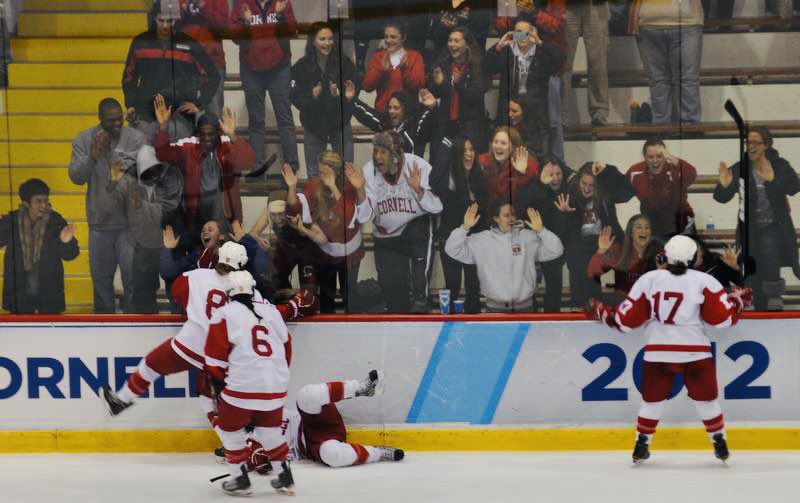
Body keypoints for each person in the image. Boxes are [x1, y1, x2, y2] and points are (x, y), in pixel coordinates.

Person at [585, 235, 752, 463]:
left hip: (658, 352)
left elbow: (626, 321)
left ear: (666, 255)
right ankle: (719, 441)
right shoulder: (704, 281)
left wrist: (603, 312)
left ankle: (641, 444)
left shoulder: (649, 279)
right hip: (696, 351)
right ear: (693, 257)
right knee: (707, 401)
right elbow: (722, 320)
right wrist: (738, 300)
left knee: (652, 402)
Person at [100, 242, 314, 417]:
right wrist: (292, 307)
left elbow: (177, 292)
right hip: (222, 354)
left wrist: (198, 271)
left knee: (150, 366)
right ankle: (241, 444)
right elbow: (267, 315)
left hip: (189, 344)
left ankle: (122, 399)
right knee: (220, 402)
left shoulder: (197, 277)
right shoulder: (248, 289)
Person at [204, 270, 295, 496]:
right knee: (269, 430)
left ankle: (239, 479)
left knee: (230, 430)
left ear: (229, 292)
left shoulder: (224, 313)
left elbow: (214, 361)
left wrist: (220, 382)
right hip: (276, 384)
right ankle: (285, 476)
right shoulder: (271, 311)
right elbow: (287, 348)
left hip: (243, 384)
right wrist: (274, 375)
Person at [69, 97, 146, 313]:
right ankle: (104, 326)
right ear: (100, 118)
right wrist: (91, 157)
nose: (116, 124)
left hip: (129, 224)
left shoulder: (135, 138)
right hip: (100, 225)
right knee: (101, 282)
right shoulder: (84, 139)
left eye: (119, 119)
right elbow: (76, 177)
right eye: (110, 120)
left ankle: (132, 325)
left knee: (132, 280)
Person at [713, 126, 800, 310]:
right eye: (747, 142)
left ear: (766, 145)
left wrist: (772, 180)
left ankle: (774, 295)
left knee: (769, 247)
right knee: (750, 263)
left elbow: (794, 187)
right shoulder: (741, 167)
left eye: (755, 143)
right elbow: (722, 198)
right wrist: (724, 185)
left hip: (775, 225)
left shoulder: (779, 165)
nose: (750, 147)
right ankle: (755, 299)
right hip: (749, 228)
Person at [153, 95, 256, 242]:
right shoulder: (189, 146)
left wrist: (232, 135)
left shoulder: (227, 144)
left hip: (225, 213)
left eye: (211, 134)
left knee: (227, 257)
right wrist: (163, 127)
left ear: (218, 134)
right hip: (197, 211)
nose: (207, 138)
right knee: (200, 256)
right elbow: (163, 155)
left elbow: (248, 161)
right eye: (203, 134)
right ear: (198, 134)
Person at [361, 131, 443, 313]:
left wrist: (419, 190)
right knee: (394, 295)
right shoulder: (368, 171)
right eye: (376, 151)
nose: (377, 157)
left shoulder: (417, 166)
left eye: (383, 152)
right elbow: (364, 216)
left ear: (396, 155)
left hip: (415, 229)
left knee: (422, 226)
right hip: (387, 234)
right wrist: (360, 193)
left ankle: (421, 298)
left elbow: (437, 206)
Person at [284, 152, 371, 313]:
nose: (322, 176)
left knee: (349, 295)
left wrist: (334, 187)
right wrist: (291, 188)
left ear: (336, 172)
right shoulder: (314, 186)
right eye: (320, 172)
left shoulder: (349, 185)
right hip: (325, 253)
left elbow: (349, 218)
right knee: (326, 297)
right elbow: (295, 208)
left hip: (350, 253)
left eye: (326, 173)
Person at [123, 0, 220, 143]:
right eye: (161, 20)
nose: (164, 25)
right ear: (154, 18)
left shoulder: (189, 45)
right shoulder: (140, 43)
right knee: (146, 161)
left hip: (180, 118)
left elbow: (213, 76)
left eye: (169, 21)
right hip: (146, 117)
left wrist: (199, 104)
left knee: (180, 161)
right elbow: (128, 78)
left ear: (175, 20)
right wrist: (130, 105)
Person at [445, 199, 563, 312]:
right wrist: (464, 228)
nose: (511, 219)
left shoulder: (528, 237)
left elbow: (556, 250)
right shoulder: (482, 240)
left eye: (513, 215)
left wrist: (542, 231)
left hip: (526, 308)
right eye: (506, 215)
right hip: (494, 309)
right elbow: (452, 249)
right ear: (496, 218)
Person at [106, 145, 183, 313]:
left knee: (174, 283)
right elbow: (110, 208)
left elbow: (167, 210)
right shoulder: (129, 182)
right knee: (143, 290)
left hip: (167, 241)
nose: (152, 174)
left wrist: (141, 206)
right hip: (141, 245)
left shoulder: (169, 181)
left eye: (155, 170)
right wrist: (113, 182)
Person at [278, 370, 404, 468]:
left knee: (306, 395)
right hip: (313, 446)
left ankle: (361, 388)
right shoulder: (257, 447)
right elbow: (262, 463)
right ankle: (378, 452)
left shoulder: (261, 411)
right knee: (332, 455)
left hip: (312, 419)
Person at [230, 0, 299, 173]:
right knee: (256, 120)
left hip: (279, 67)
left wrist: (280, 15)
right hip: (251, 68)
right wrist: (246, 22)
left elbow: (292, 31)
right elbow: (235, 37)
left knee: (284, 117)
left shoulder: (282, 2)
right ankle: (257, 166)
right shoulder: (242, 4)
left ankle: (292, 166)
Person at [484, 16, 564, 158]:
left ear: (533, 32)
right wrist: (498, 47)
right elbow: (487, 67)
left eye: (526, 32)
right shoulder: (507, 52)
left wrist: (540, 42)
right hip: (508, 118)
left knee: (534, 162)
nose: (522, 36)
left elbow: (560, 59)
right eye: (518, 32)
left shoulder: (541, 54)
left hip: (535, 120)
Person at [558, 161, 634, 308]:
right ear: (578, 180)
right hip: (579, 243)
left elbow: (628, 192)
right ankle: (580, 309)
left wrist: (608, 170)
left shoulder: (606, 193)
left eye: (591, 185)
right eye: (583, 183)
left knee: (596, 278)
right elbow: (565, 231)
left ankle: (603, 310)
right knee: (577, 267)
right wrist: (564, 214)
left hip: (604, 241)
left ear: (598, 185)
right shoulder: (570, 193)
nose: (586, 189)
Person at [0, 179, 79, 314]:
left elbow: (70, 255)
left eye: (45, 200)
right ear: (26, 203)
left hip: (49, 293)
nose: (44, 205)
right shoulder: (11, 221)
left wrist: (66, 241)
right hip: (19, 293)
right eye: (38, 201)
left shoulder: (56, 221)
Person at [290, 21, 357, 178]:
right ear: (312, 41)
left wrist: (343, 97)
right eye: (322, 39)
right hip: (313, 124)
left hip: (340, 122)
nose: (327, 43)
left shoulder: (344, 63)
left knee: (346, 172)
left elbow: (353, 89)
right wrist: (311, 96)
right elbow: (294, 95)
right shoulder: (301, 66)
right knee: (314, 173)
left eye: (330, 39)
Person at [430, 136, 487, 313]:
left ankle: (474, 328)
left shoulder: (480, 176)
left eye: (471, 150)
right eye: (464, 151)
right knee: (452, 286)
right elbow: (434, 181)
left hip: (475, 240)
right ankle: (449, 328)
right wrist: (447, 146)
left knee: (473, 287)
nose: (469, 154)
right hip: (450, 238)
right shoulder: (450, 178)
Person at [631, 0, 704, 124]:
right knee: (658, 81)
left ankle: (689, 128)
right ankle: (661, 127)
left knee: (686, 80)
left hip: (687, 22)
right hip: (648, 23)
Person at [429, 27, 489, 153]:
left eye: (456, 41)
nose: (452, 44)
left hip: (469, 127)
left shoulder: (477, 65)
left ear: (467, 44)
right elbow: (436, 92)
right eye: (450, 40)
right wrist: (438, 84)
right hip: (447, 125)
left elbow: (477, 96)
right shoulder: (444, 63)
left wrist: (459, 85)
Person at [626, 138, 697, 240]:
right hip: (651, 222)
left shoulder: (674, 169)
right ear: (644, 157)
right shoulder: (635, 172)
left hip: (680, 221)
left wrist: (670, 157)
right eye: (650, 157)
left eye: (659, 156)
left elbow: (692, 175)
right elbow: (620, 190)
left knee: (681, 254)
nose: (655, 161)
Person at [587, 214, 662, 305]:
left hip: (647, 305)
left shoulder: (658, 252)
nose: (644, 231)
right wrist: (601, 250)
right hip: (620, 305)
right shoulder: (618, 250)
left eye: (647, 228)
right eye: (638, 227)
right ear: (631, 233)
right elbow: (593, 272)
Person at [176, 0, 230, 117]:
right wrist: (183, 8)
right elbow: (166, 24)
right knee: (185, 114)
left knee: (214, 115)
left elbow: (222, 26)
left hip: (212, 62)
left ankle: (216, 135)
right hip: (184, 61)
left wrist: (203, 6)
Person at [561, 0, 609, 127]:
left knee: (598, 62)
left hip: (596, 6)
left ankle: (599, 111)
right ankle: (560, 113)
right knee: (563, 62)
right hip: (566, 6)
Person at [361, 22, 426, 114]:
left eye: (393, 37)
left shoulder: (414, 56)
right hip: (384, 111)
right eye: (386, 37)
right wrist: (381, 70)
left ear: (403, 38)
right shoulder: (378, 57)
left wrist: (405, 69)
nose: (388, 40)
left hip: (408, 112)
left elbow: (419, 85)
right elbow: (367, 86)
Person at [352, 89, 437, 158]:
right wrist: (352, 99)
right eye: (389, 108)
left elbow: (431, 124)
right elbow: (368, 115)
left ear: (405, 109)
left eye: (396, 108)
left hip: (412, 175)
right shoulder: (386, 124)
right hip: (390, 175)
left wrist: (433, 107)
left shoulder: (415, 126)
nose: (391, 111)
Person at [479, 127, 539, 211]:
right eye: (495, 142)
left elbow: (530, 197)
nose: (498, 146)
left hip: (515, 215)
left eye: (503, 143)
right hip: (491, 214)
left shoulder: (527, 163)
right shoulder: (483, 160)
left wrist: (523, 173)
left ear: (514, 147)